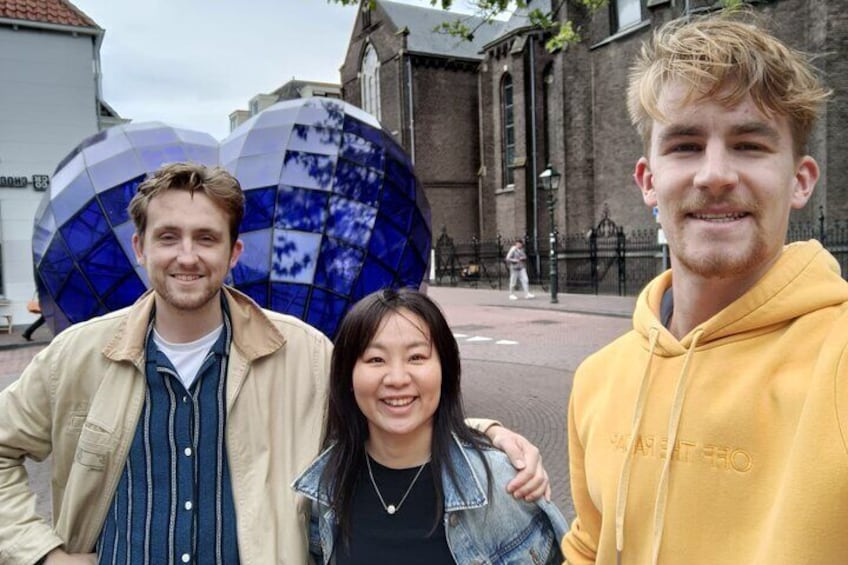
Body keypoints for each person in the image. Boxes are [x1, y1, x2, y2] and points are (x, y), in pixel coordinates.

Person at [0, 162, 549, 564]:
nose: (187, 255)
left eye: (207, 239)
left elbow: (383, 406)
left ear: (233, 254)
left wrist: (485, 432)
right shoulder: (76, 355)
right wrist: (42, 554)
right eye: (168, 237)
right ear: (140, 248)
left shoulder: (302, 352)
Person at [561, 13, 848, 565]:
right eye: (686, 145)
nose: (714, 175)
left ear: (801, 180)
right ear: (648, 180)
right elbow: (588, 548)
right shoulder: (597, 380)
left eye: (749, 145)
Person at [292, 288, 567, 563]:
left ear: (444, 370)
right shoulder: (327, 487)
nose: (397, 378)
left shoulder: (502, 485)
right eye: (376, 359)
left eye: (416, 358)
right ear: (348, 378)